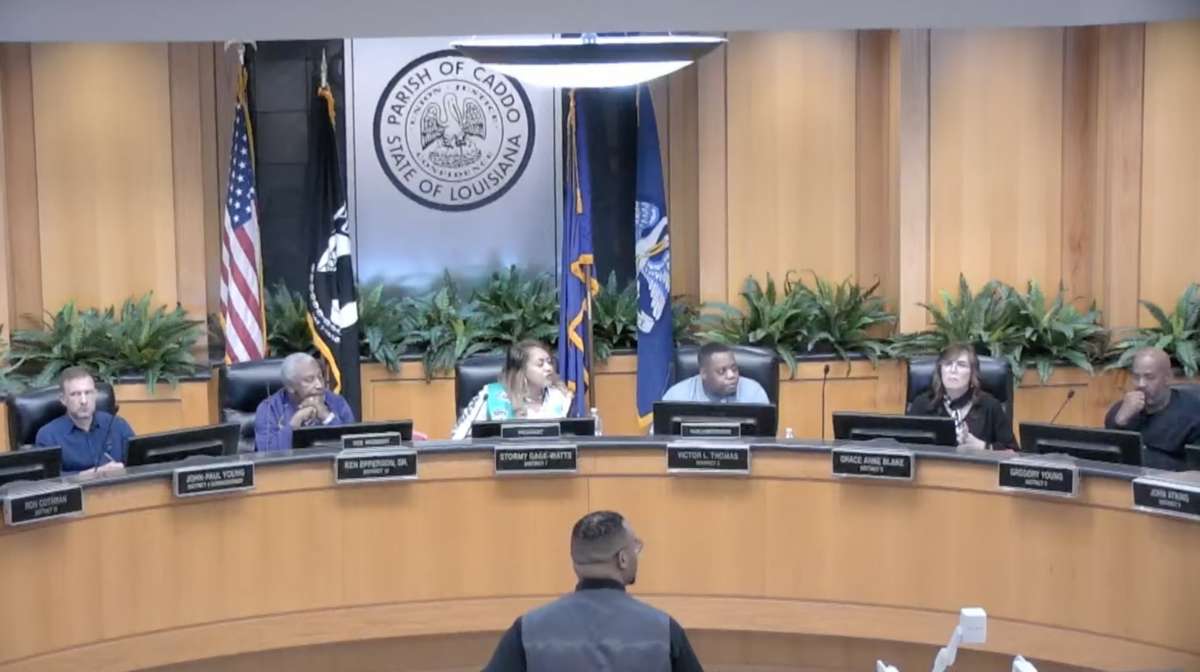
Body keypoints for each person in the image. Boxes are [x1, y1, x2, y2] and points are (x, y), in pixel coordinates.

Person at [482, 510, 704, 672]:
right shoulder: (663, 630)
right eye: (635, 547)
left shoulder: (527, 630)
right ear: (623, 559)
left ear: (575, 562)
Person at [451, 340, 572, 440]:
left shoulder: (562, 397)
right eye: (540, 364)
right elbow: (459, 439)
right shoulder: (490, 396)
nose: (549, 368)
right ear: (521, 370)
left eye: (549, 362)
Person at [906, 344, 1017, 451]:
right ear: (940, 371)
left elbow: (1013, 453)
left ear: (972, 373)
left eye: (961, 365)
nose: (953, 370)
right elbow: (905, 447)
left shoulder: (990, 406)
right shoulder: (923, 403)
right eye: (948, 364)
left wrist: (984, 447)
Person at [1105, 347, 1200, 471]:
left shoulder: (1194, 415)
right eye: (1136, 377)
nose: (1141, 384)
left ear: (1168, 378)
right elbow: (1109, 458)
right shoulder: (1121, 411)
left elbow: (1195, 469)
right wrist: (1119, 421)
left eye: (1149, 377)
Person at [35, 366, 135, 474]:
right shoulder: (48, 436)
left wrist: (123, 468)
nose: (84, 401)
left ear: (95, 394)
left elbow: (139, 464)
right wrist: (91, 475)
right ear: (63, 399)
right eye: (75, 394)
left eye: (88, 393)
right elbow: (50, 479)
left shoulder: (117, 425)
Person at [254, 352, 355, 451]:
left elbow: (352, 445)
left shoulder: (337, 402)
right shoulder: (269, 408)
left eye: (320, 377)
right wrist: (296, 421)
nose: (319, 385)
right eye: (309, 380)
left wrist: (326, 415)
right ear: (290, 387)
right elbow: (267, 452)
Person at [661, 342, 769, 404]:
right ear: (704, 373)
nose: (731, 375)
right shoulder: (677, 396)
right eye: (722, 371)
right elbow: (660, 434)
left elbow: (766, 435)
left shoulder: (753, 392)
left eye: (734, 369)